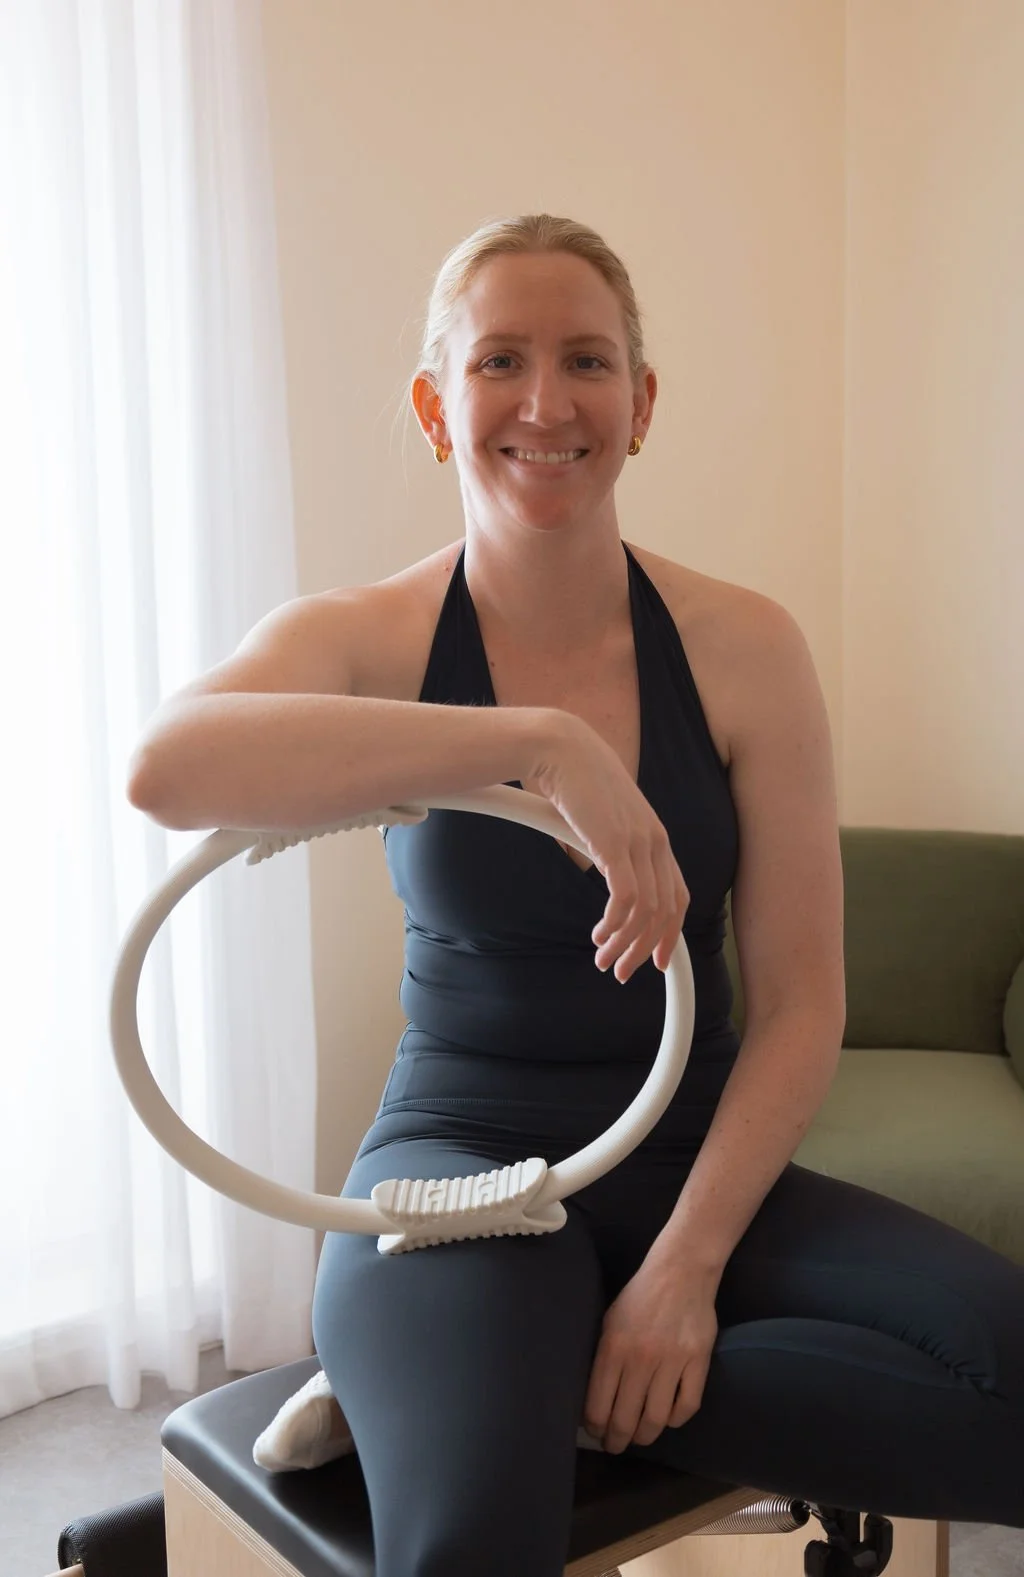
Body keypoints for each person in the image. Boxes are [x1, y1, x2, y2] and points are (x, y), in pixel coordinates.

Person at [129, 214, 1024, 1575]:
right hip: (462, 1162)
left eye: (588, 362)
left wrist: (682, 1276)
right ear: (439, 407)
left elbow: (798, 1006)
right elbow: (166, 770)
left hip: (694, 1156)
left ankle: (499, 1388)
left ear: (641, 403)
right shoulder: (367, 637)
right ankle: (467, 1384)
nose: (546, 403)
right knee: (473, 1544)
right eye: (500, 361)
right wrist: (535, 743)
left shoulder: (744, 647)